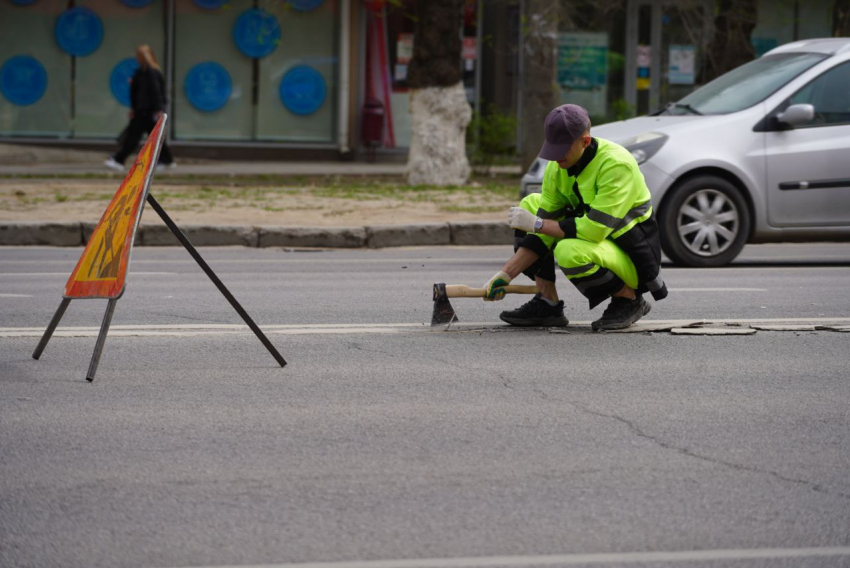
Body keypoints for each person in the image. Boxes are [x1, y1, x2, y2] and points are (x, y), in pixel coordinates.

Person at [483, 104, 667, 331]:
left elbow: (593, 231)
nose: (555, 156)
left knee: (568, 251)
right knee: (530, 204)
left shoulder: (616, 165)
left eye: (562, 148)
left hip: (631, 255)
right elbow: (541, 232)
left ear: (585, 141)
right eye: (552, 147)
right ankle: (547, 302)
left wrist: (538, 224)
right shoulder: (556, 167)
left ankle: (628, 298)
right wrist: (505, 275)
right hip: (597, 244)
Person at [104, 44, 174, 173]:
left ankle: (119, 159)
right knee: (152, 138)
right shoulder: (140, 73)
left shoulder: (151, 73)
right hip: (142, 110)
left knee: (135, 137)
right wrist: (134, 108)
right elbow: (137, 93)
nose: (137, 58)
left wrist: (159, 109)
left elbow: (157, 92)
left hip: (148, 111)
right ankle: (167, 159)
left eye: (139, 56)